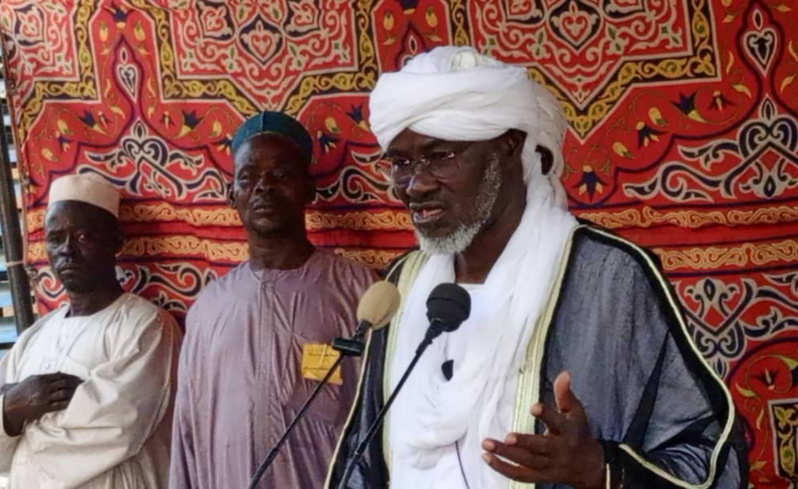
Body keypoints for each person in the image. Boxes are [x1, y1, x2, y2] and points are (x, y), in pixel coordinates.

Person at [326, 46, 746, 489]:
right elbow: (366, 455)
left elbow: (707, 454)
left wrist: (602, 470)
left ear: (507, 146)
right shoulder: (403, 285)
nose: (416, 185)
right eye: (402, 162)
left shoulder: (607, 277)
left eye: (441, 156)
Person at [169, 112, 376, 488]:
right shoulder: (207, 310)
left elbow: (382, 414)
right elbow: (187, 432)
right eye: (248, 178)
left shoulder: (357, 290)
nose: (264, 187)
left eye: (281, 175)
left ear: (309, 189)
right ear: (232, 195)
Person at [0, 173, 182, 488]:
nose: (67, 249)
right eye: (56, 237)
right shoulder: (35, 337)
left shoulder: (146, 326)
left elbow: (115, 427)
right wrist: (14, 405)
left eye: (83, 236)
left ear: (115, 243)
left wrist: (16, 417)